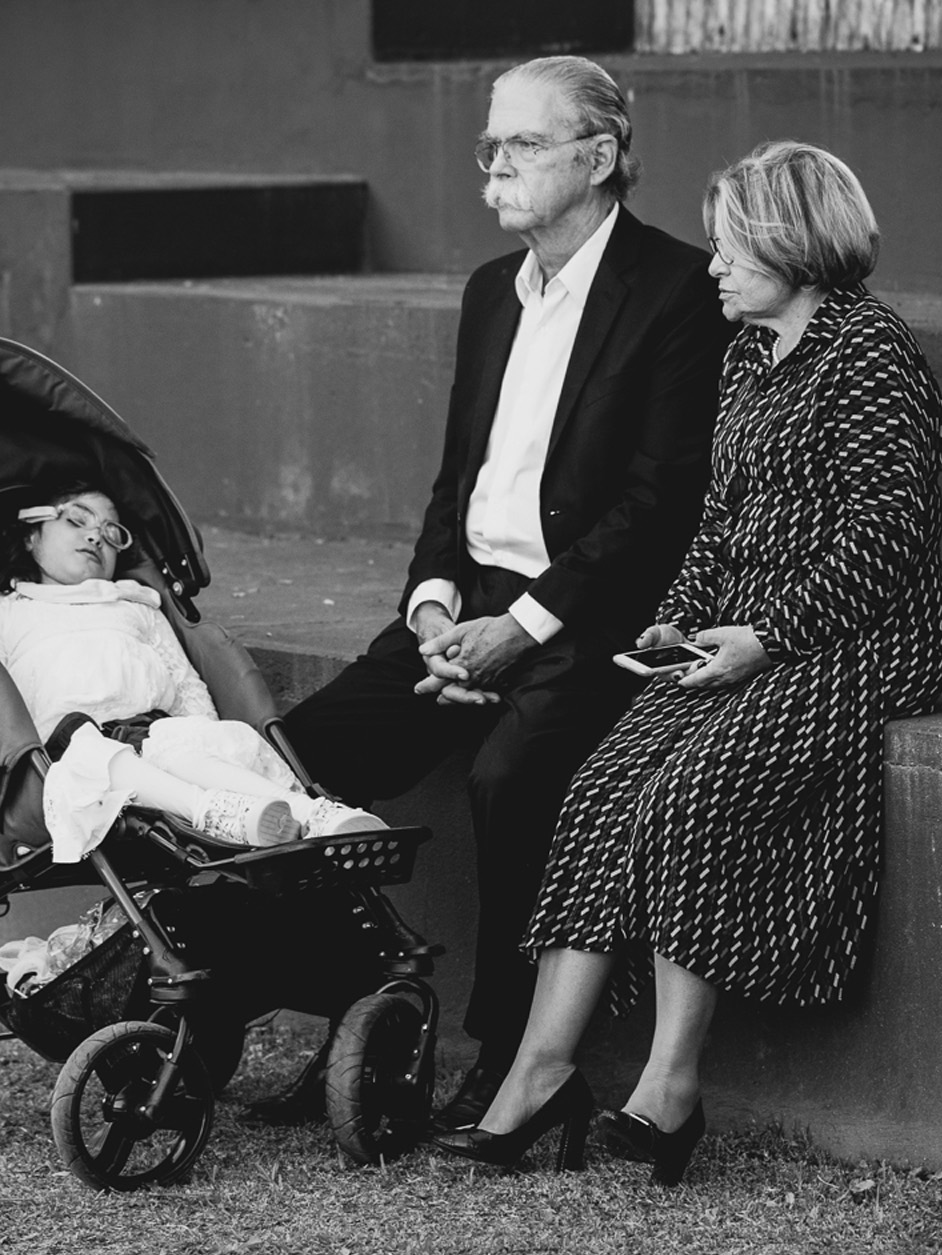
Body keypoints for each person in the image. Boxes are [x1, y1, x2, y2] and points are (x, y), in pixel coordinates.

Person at [431, 141, 942, 1185]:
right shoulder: (745, 354)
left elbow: (888, 534)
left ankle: (669, 1089)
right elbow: (716, 520)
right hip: (738, 632)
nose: (711, 266)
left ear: (790, 244)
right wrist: (676, 622)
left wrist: (768, 634)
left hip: (856, 637)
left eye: (730, 249)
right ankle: (538, 1073)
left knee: (687, 796)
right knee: (600, 791)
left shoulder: (868, 350)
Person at [271, 55, 733, 1130]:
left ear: (600, 156)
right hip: (464, 601)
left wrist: (517, 630)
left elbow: (660, 501)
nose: (495, 165)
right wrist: (434, 609)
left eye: (522, 143)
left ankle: (509, 1057)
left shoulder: (674, 289)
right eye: (491, 144)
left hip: (586, 613)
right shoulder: (490, 291)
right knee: (297, 757)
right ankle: (355, 1018)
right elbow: (456, 483)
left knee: (509, 777)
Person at [0, 486, 384, 862]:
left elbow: (185, 685)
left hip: (153, 733)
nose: (95, 536)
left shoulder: (136, 606)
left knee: (183, 746)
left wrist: (204, 733)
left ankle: (318, 814)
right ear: (31, 535)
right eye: (76, 520)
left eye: (112, 533)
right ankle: (210, 811)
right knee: (96, 756)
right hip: (59, 755)